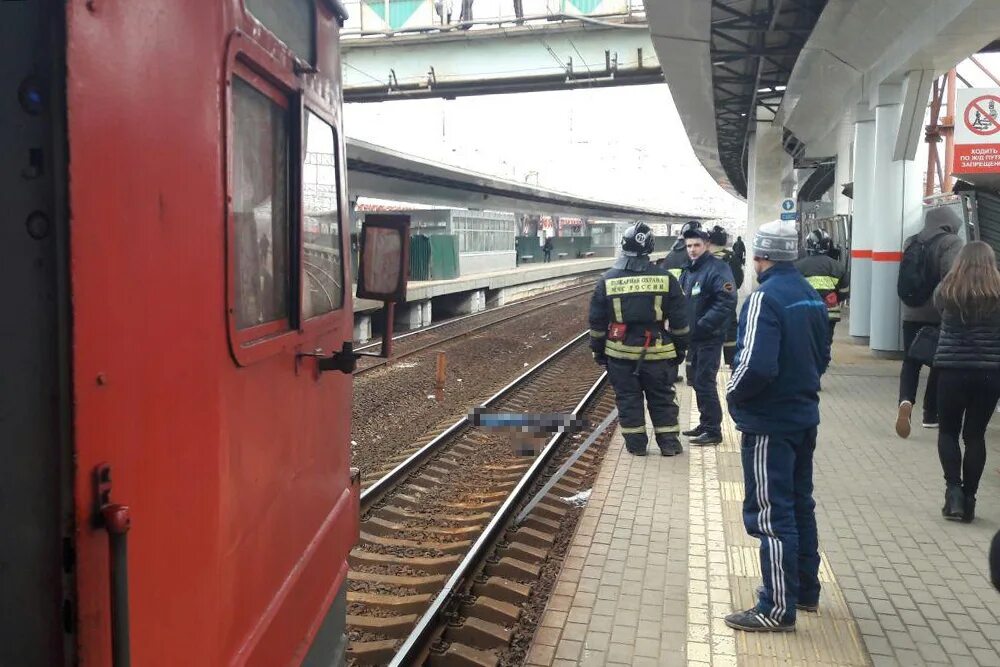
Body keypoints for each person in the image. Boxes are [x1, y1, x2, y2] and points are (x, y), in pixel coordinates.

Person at [724, 220, 831, 633]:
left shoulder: (762, 299)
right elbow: (822, 356)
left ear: (759, 256)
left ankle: (775, 606)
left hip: (770, 424)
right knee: (800, 505)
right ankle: (804, 589)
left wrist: (733, 396)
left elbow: (752, 366)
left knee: (770, 514)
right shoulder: (809, 295)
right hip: (804, 416)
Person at [589, 222, 689, 456]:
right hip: (658, 352)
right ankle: (669, 445)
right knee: (662, 398)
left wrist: (598, 351)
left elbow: (596, 322)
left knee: (628, 400)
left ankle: (636, 447)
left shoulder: (607, 279)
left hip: (620, 353)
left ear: (623, 247)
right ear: (650, 248)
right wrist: (681, 349)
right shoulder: (666, 279)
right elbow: (680, 321)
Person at [932, 241, 1000, 523]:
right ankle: (970, 498)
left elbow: (938, 314)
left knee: (948, 431)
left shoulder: (947, 289)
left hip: (951, 371)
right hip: (989, 374)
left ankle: (953, 493)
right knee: (974, 435)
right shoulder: (997, 292)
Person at [896, 207, 963, 437]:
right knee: (938, 362)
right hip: (937, 314)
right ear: (949, 223)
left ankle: (905, 402)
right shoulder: (952, 243)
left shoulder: (911, 241)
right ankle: (930, 413)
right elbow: (951, 278)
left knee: (910, 362)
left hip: (910, 312)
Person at [679, 224, 737, 446]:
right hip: (695, 337)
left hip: (709, 336)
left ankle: (713, 430)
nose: (692, 249)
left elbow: (727, 300)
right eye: (689, 245)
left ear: (707, 245)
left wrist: (702, 325)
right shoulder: (691, 269)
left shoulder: (717, 268)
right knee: (697, 380)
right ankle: (705, 423)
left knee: (705, 381)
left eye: (697, 245)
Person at [794, 229, 850, 345]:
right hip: (829, 312)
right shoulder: (838, 266)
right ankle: (824, 360)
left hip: (805, 311)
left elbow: (792, 291)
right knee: (826, 340)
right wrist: (834, 299)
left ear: (808, 244)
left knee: (806, 340)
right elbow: (845, 291)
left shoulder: (798, 267)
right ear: (828, 246)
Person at [709, 225, 743, 367]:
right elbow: (739, 280)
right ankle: (732, 362)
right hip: (728, 303)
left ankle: (707, 364)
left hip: (706, 305)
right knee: (730, 332)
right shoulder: (731, 257)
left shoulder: (702, 258)